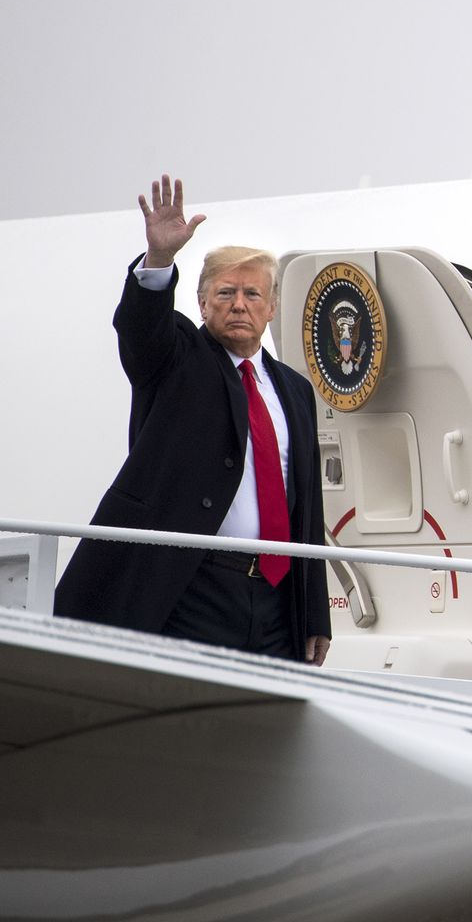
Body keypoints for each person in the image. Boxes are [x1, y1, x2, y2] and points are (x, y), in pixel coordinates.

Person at [54, 174, 331, 665]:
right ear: (201, 303)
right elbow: (142, 333)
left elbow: (306, 509)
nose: (239, 304)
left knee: (264, 731)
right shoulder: (178, 357)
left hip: (274, 600)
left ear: (272, 308)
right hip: (191, 585)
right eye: (225, 293)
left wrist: (314, 614)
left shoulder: (295, 390)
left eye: (251, 294)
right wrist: (160, 260)